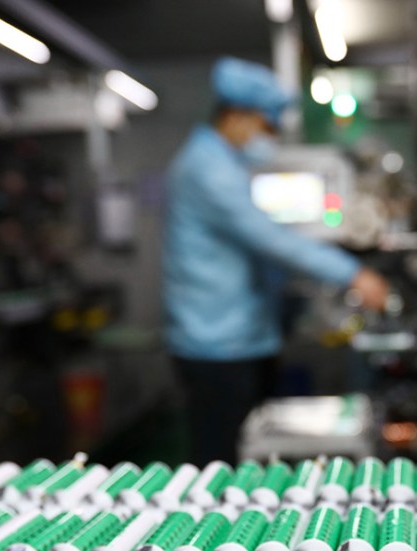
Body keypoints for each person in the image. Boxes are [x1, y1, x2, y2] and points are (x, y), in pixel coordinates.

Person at [164, 57, 390, 466]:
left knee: (250, 455)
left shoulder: (226, 166)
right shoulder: (207, 169)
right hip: (217, 345)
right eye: (267, 126)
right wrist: (352, 273)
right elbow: (269, 239)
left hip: (240, 336)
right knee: (219, 463)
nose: (267, 138)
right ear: (236, 116)